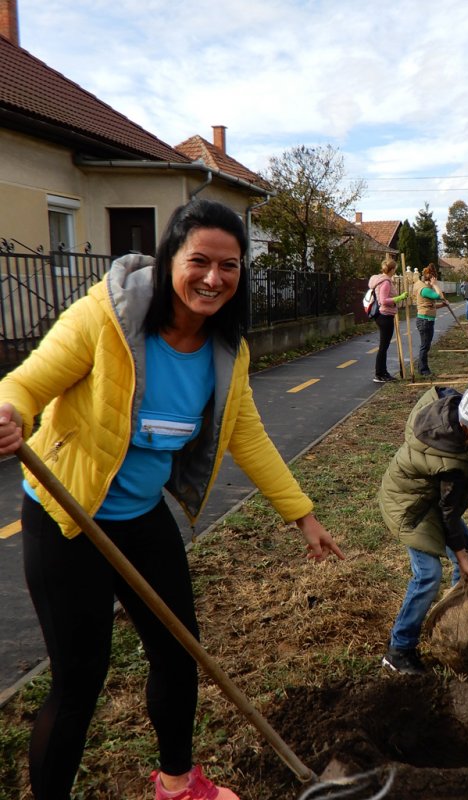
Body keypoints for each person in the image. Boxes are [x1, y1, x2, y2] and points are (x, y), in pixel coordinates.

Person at [0, 199, 345, 800]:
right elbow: (28, 381)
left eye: (230, 266)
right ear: (169, 260)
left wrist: (304, 516)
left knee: (178, 651)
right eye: (200, 261)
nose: (214, 278)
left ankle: (178, 784)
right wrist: (10, 412)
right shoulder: (104, 318)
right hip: (67, 518)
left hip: (138, 516)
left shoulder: (225, 351)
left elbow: (248, 434)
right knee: (80, 679)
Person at [378, 370, 468, 674]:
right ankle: (399, 649)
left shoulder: (451, 407)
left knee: (461, 551)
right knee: (428, 575)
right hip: (410, 509)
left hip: (427, 502)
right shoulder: (448, 459)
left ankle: (459, 618)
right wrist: (462, 556)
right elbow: (448, 513)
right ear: (467, 427)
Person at [368, 256, 407, 383]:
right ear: (391, 269)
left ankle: (383, 372)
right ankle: (380, 374)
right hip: (384, 316)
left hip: (385, 315)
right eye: (395, 268)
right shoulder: (385, 282)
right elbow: (383, 300)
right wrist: (399, 298)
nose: (395, 271)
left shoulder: (382, 280)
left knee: (384, 346)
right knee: (383, 346)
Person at [412, 264, 447, 377]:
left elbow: (429, 306)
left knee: (425, 345)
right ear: (431, 278)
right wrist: (435, 285)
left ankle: (422, 368)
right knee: (425, 346)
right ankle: (423, 370)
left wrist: (442, 305)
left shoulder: (423, 287)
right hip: (425, 321)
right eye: (434, 278)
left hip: (426, 319)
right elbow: (440, 296)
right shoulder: (425, 289)